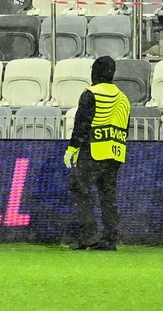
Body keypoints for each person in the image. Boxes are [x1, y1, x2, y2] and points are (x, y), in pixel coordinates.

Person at [65, 55, 129, 251]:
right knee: (108, 196)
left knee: (78, 187)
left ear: (94, 72)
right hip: (115, 153)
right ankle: (110, 238)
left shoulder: (92, 93)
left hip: (93, 150)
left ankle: (89, 235)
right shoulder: (123, 97)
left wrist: (72, 148)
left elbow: (82, 123)